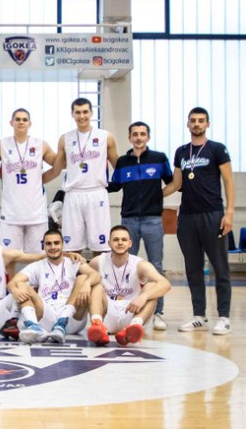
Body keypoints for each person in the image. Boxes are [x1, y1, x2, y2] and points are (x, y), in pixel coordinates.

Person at [163, 107, 235, 335]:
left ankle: (223, 317)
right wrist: (152, 196)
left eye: (201, 120)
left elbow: (229, 181)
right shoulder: (182, 152)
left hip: (212, 214)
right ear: (188, 124)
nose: (196, 124)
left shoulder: (217, 149)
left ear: (207, 124)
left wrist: (229, 212)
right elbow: (176, 184)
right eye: (193, 120)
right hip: (187, 217)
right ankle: (199, 316)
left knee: (220, 268)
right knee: (193, 269)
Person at [107, 121, 173, 331]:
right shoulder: (122, 162)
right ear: (129, 138)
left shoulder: (159, 158)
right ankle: (125, 309)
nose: (138, 137)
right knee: (126, 268)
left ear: (148, 137)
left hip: (153, 220)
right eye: (135, 134)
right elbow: (113, 186)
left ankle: (158, 312)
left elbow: (173, 181)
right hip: (129, 221)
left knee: (156, 266)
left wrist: (158, 196)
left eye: (142, 134)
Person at [46, 97, 119, 255]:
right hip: (73, 194)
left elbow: (118, 166)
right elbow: (57, 167)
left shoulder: (106, 137)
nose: (82, 116)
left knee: (100, 247)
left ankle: (99, 272)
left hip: (97, 193)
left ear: (91, 113)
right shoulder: (65, 139)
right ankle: (74, 272)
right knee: (71, 247)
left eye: (85, 112)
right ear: (72, 114)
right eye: (78, 112)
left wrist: (117, 185)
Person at [7, 229, 100, 344]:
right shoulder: (37, 266)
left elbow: (96, 275)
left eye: (56, 243)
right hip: (47, 316)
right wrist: (14, 290)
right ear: (44, 246)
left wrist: (87, 284)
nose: (53, 247)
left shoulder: (73, 262)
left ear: (62, 245)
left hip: (72, 318)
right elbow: (12, 283)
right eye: (49, 244)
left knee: (83, 278)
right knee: (21, 284)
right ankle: (34, 326)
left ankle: (61, 323)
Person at [86, 225, 171, 346]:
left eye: (124, 240)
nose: (120, 243)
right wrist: (86, 283)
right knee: (95, 287)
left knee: (151, 287)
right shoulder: (98, 261)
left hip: (132, 313)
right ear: (109, 243)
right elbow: (81, 276)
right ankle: (97, 324)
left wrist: (143, 297)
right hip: (107, 313)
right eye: (116, 240)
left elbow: (165, 284)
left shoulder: (139, 264)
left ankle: (134, 327)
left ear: (130, 243)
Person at [0, 108, 57, 253]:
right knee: (7, 256)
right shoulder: (2, 145)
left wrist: (42, 179)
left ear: (30, 123)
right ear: (11, 122)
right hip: (11, 213)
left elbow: (57, 164)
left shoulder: (40, 145)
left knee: (38, 255)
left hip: (35, 212)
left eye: (25, 119)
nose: (21, 122)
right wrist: (2, 175)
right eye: (18, 119)